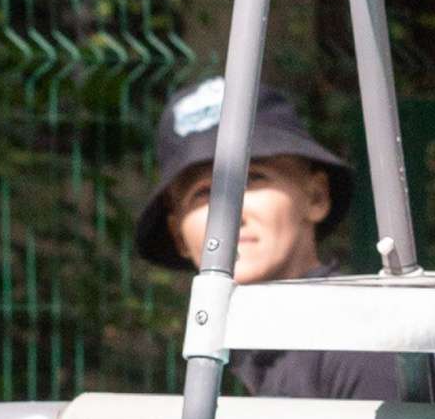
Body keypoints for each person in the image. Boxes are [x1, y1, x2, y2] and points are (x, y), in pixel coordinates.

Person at [135, 77, 405, 400]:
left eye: (253, 179)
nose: (229, 215)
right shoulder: (232, 352)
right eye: (202, 193)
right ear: (178, 234)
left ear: (316, 196)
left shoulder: (361, 339)